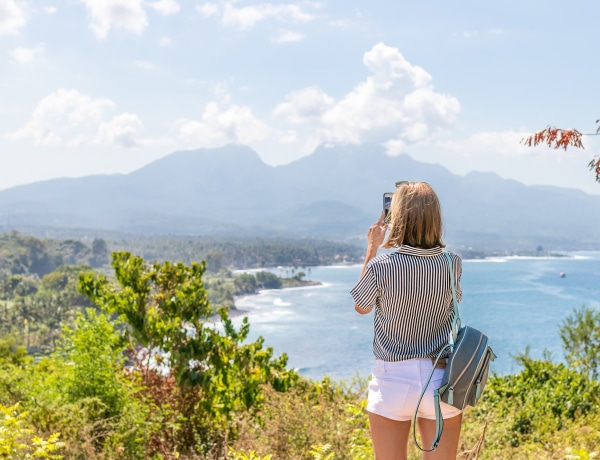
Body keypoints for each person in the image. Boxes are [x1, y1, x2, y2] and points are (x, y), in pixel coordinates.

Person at [350, 182, 463, 460]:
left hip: (392, 379)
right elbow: (452, 304)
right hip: (440, 378)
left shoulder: (383, 265)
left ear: (397, 218)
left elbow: (362, 306)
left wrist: (372, 249)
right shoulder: (452, 263)